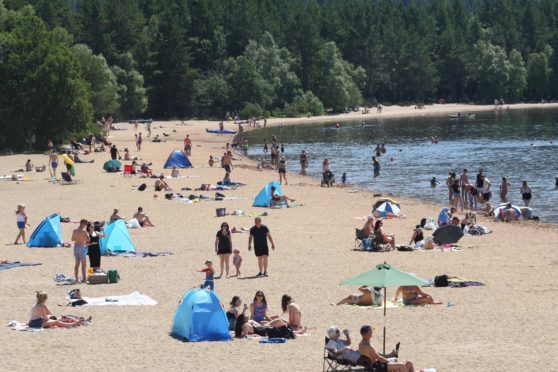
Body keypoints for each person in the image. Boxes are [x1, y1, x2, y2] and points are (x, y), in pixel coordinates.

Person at [71, 219, 90, 284]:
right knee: (84, 265)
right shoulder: (84, 231)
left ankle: (77, 280)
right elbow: (88, 239)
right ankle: (84, 279)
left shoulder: (74, 230)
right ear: (83, 224)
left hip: (75, 247)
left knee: (77, 264)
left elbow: (73, 239)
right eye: (86, 224)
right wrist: (84, 239)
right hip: (81, 247)